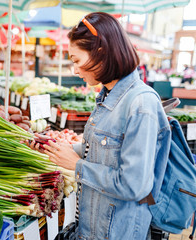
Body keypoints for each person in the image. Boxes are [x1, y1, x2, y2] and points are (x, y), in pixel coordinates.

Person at [30, 12, 171, 240]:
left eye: (76, 60)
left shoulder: (141, 103)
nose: (74, 70)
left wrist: (76, 165)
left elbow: (134, 185)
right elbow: (104, 153)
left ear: (101, 51)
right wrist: (57, 150)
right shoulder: (107, 96)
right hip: (92, 228)